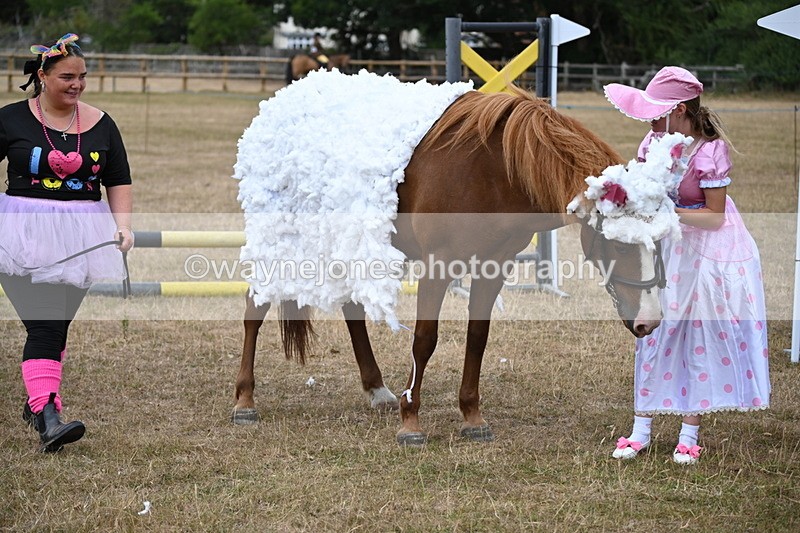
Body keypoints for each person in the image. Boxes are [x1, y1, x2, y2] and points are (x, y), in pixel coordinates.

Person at [603, 66, 770, 465]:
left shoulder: (710, 151)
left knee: (697, 333)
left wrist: (666, 211)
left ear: (679, 111)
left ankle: (689, 433)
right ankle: (641, 428)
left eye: (656, 113)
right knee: (652, 329)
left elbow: (714, 216)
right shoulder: (653, 141)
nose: (649, 120)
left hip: (705, 247)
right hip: (666, 245)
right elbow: (644, 186)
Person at [0, 33, 134, 452]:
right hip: (22, 233)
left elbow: (118, 178)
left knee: (57, 326)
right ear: (42, 76)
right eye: (67, 77)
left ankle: (38, 401)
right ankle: (48, 416)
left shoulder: (102, 123)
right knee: (44, 324)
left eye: (82, 77)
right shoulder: (10, 119)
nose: (77, 85)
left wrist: (123, 226)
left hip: (82, 236)